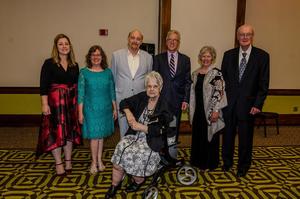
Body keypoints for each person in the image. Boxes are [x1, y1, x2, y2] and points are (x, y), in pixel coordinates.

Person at [105, 71, 176, 199]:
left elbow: (163, 129)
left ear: (160, 87)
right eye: (149, 86)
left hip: (152, 140)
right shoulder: (143, 97)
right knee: (121, 147)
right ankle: (115, 184)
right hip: (134, 135)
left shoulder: (165, 103)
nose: (152, 89)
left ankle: (138, 180)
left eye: (155, 86)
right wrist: (129, 113)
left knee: (137, 154)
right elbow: (124, 102)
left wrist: (143, 127)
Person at [221, 24, 270, 177]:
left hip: (249, 106)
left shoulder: (262, 56)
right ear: (237, 36)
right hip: (229, 105)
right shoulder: (228, 55)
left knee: (245, 138)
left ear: (252, 36)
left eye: (248, 34)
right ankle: (227, 162)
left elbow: (264, 83)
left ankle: (243, 165)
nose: (244, 37)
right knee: (227, 136)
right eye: (242, 34)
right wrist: (221, 103)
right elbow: (222, 82)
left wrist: (258, 104)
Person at [36, 33, 82, 176]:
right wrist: (44, 104)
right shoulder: (49, 63)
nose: (64, 46)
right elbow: (43, 85)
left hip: (71, 103)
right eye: (61, 44)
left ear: (70, 46)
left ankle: (68, 160)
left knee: (69, 133)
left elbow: (77, 85)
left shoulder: (75, 65)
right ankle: (58, 163)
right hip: (55, 104)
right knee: (56, 133)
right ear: (56, 47)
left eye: (66, 44)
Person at [78, 45, 117, 174]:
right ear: (90, 57)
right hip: (91, 109)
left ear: (102, 57)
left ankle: (100, 160)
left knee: (101, 137)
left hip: (105, 109)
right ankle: (93, 163)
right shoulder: (84, 72)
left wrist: (114, 109)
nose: (96, 57)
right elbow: (81, 94)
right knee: (94, 137)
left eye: (98, 55)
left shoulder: (108, 72)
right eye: (93, 55)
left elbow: (112, 92)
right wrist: (80, 112)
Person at [189, 46, 227, 171]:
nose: (206, 58)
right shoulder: (195, 73)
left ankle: (209, 163)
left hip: (210, 110)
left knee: (209, 136)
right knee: (198, 135)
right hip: (197, 110)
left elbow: (219, 92)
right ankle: (197, 161)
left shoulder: (216, 73)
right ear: (200, 57)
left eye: (208, 56)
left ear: (212, 58)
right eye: (203, 56)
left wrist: (216, 110)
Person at [111, 29, 153, 138]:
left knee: (140, 132)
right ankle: (124, 154)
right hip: (122, 99)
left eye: (138, 39)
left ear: (141, 41)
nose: (135, 41)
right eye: (133, 38)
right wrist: (114, 103)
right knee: (124, 133)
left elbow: (149, 81)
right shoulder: (116, 55)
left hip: (140, 101)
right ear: (128, 39)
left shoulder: (148, 58)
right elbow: (113, 79)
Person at [153, 30, 192, 144]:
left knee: (174, 129)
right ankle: (160, 156)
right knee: (160, 129)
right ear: (166, 41)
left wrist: (185, 99)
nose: (172, 42)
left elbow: (187, 81)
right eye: (170, 39)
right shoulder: (158, 58)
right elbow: (154, 79)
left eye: (175, 40)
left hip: (177, 101)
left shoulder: (185, 60)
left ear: (178, 42)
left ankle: (172, 156)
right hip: (161, 101)